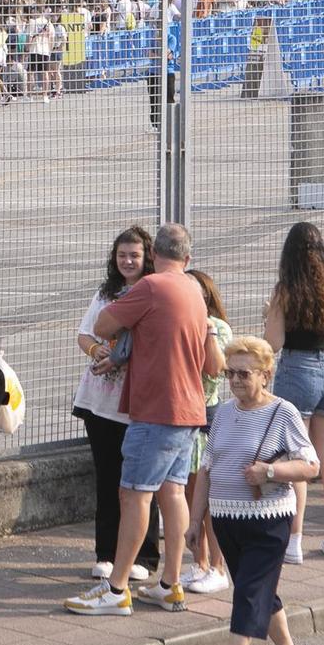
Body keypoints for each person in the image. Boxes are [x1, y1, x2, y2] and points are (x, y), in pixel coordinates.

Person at [68, 222, 209, 616]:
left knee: (133, 493)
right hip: (188, 408)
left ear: (153, 255)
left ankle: (116, 589)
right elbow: (210, 358)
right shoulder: (194, 290)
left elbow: (102, 325)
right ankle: (170, 583)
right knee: (173, 493)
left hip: (155, 408)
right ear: (188, 257)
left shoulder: (151, 287)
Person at [188, 337, 316, 645]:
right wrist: (195, 522)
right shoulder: (225, 413)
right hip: (227, 522)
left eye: (244, 373)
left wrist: (272, 471)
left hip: (268, 521)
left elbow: (311, 466)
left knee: (247, 594)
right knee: (259, 591)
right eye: (231, 373)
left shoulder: (284, 413)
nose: (236, 380)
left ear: (266, 375)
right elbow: (207, 470)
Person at [71, 226, 162, 581]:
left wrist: (124, 359)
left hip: (136, 404)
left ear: (147, 258)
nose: (127, 261)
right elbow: (84, 334)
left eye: (134, 255)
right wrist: (99, 351)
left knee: (140, 484)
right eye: (122, 255)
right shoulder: (106, 292)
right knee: (107, 481)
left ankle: (145, 557)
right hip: (99, 402)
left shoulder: (152, 292)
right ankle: (105, 553)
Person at [265, 221, 324, 564]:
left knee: (298, 459)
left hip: (296, 371)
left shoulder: (286, 290)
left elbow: (274, 343)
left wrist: (266, 319)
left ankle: (294, 541)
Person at [178, 269, 233, 589]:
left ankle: (217, 566)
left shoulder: (219, 328)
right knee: (188, 498)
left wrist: (208, 329)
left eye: (196, 292)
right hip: (179, 420)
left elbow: (215, 369)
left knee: (208, 499)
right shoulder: (178, 323)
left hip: (206, 421)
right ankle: (198, 562)